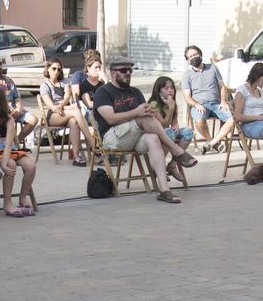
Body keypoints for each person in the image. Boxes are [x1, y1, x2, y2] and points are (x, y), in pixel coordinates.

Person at [91, 53, 197, 204]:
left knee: (153, 137)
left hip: (134, 136)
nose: (128, 73)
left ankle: (164, 190)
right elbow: (110, 118)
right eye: (124, 70)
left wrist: (151, 113)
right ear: (113, 73)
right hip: (112, 137)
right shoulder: (104, 92)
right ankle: (176, 151)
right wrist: (137, 113)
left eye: (130, 70)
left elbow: (147, 116)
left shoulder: (135, 92)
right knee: (143, 117)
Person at [0, 85, 38, 215]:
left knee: (30, 166)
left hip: (8, 149)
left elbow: (8, 144)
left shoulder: (8, 119)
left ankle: (23, 197)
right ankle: (8, 203)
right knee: (11, 166)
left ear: (0, 105)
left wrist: (4, 163)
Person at [34, 59, 91, 167]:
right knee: (75, 110)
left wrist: (62, 106)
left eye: (58, 69)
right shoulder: (44, 86)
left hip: (64, 111)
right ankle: (90, 140)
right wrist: (62, 107)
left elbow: (67, 96)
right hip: (53, 116)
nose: (56, 71)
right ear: (48, 69)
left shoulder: (64, 82)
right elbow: (51, 106)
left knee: (74, 121)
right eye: (53, 69)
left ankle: (76, 156)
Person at [180, 45, 233, 152]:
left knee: (233, 118)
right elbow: (187, 97)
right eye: (190, 57)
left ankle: (211, 143)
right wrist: (196, 104)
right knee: (199, 121)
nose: (193, 57)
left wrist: (223, 101)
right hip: (200, 106)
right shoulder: (187, 75)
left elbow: (222, 87)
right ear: (187, 60)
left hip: (216, 104)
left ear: (200, 54)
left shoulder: (212, 68)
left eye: (195, 54)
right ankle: (214, 143)